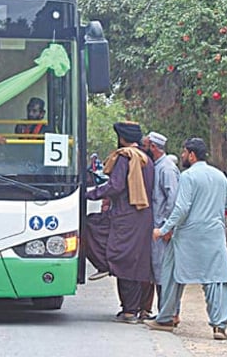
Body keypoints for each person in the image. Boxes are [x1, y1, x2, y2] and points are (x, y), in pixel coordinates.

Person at [146, 137, 227, 341]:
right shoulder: (220, 176)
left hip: (187, 236)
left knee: (172, 274)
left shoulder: (188, 176)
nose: (182, 156)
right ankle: (219, 326)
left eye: (184, 153)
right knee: (216, 280)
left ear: (192, 155)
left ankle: (166, 318)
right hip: (214, 236)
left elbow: (182, 208)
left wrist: (164, 229)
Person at [85, 121, 155, 324]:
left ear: (122, 139)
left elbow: (114, 186)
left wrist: (90, 195)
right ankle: (134, 309)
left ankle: (129, 310)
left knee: (118, 256)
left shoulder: (126, 157)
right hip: (143, 218)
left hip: (125, 217)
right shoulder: (146, 159)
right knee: (135, 262)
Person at [138, 132, 181, 323]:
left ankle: (169, 314)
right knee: (158, 271)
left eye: (146, 145)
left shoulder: (167, 169)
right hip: (156, 228)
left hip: (163, 229)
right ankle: (165, 312)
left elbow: (173, 199)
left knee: (165, 273)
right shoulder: (157, 166)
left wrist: (168, 227)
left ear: (153, 147)